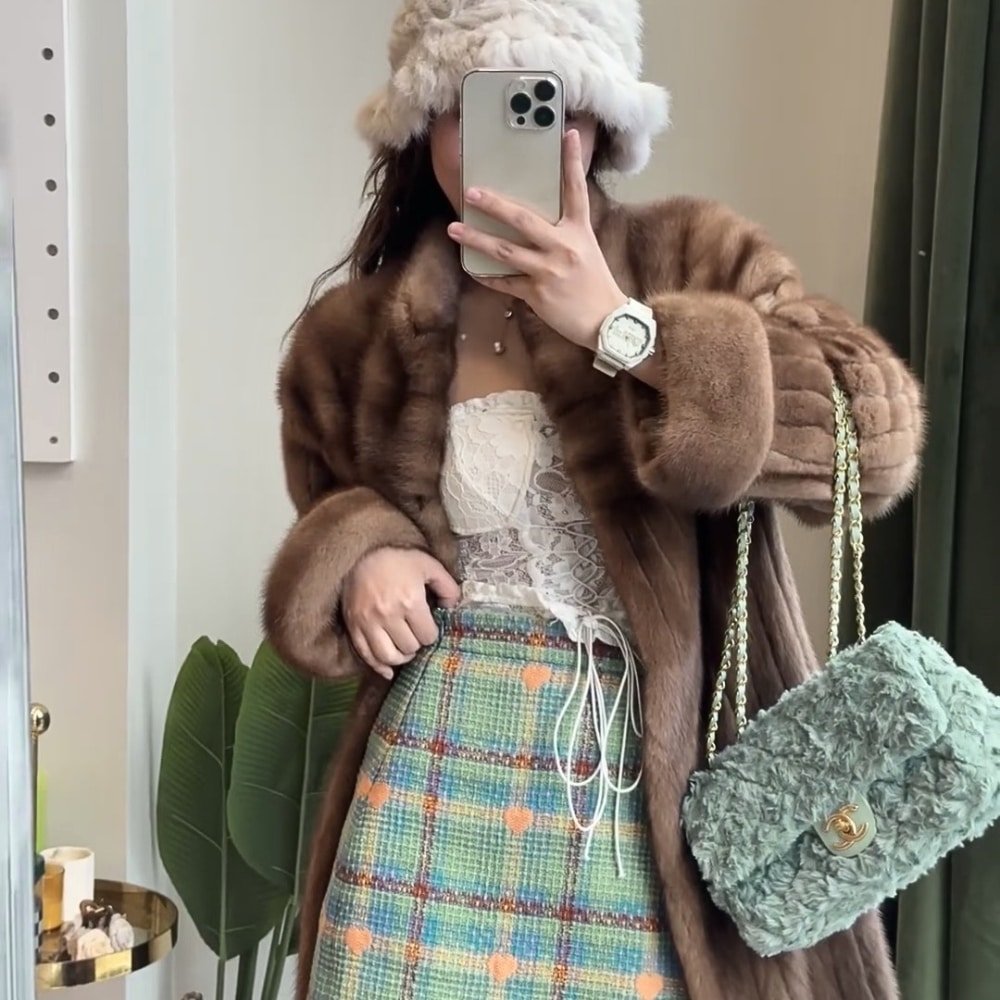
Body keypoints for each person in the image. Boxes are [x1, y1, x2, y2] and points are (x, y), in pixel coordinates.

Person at [264, 2, 923, 998]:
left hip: (647, 794)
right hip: (430, 777)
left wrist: (624, 327)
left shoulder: (695, 258)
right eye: (483, 104)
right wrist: (364, 555)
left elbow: (870, 443)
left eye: (555, 104)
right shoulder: (352, 336)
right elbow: (330, 507)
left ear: (605, 122)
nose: (526, 133)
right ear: (427, 120)